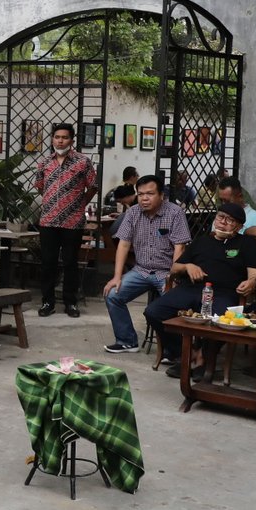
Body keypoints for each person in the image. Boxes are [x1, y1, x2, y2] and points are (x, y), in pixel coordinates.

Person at [143, 202, 256, 379]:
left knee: (224, 321)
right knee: (154, 312)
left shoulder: (246, 243)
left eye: (230, 220)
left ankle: (205, 358)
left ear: (239, 226)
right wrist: (188, 266)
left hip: (224, 293)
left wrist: (251, 281)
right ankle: (187, 353)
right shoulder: (201, 241)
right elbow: (174, 268)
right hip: (191, 289)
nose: (223, 222)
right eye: (220, 217)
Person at [102, 174, 191, 354]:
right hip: (141, 270)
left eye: (150, 194)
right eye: (141, 194)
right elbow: (124, 244)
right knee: (112, 294)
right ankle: (127, 341)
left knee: (169, 304)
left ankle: (172, 351)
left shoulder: (175, 213)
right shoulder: (133, 213)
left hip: (166, 272)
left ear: (161, 195)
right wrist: (117, 277)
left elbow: (179, 248)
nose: (144, 198)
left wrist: (173, 277)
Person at [31, 123, 97, 318]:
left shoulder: (82, 162)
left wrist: (80, 203)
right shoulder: (44, 163)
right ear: (52, 139)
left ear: (72, 140)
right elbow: (40, 186)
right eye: (57, 137)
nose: (60, 140)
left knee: (70, 263)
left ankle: (70, 302)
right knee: (48, 263)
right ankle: (47, 302)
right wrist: (53, 201)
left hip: (73, 221)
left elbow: (93, 186)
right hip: (49, 221)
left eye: (65, 137)